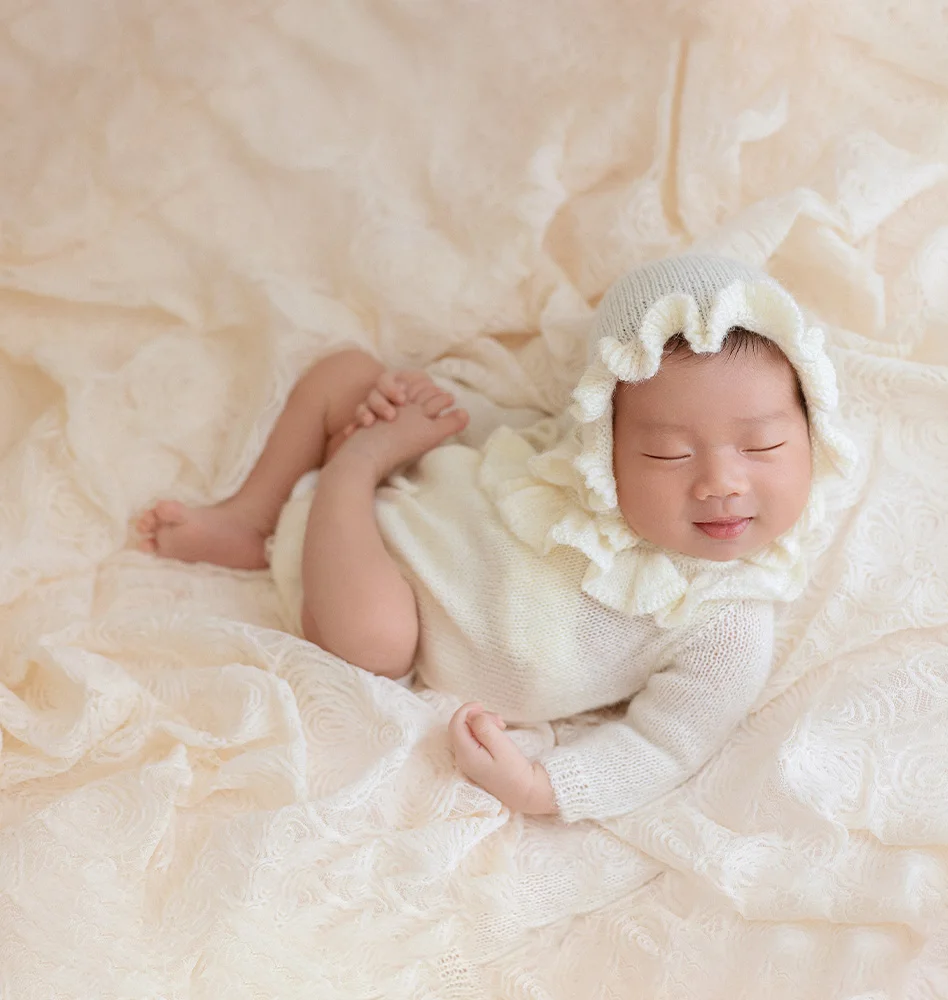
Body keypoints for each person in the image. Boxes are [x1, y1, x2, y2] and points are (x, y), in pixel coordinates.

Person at [137, 255, 856, 822]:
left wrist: (544, 786)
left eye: (761, 447)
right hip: (421, 492)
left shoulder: (725, 623)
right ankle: (250, 513)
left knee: (373, 642)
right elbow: (490, 439)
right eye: (669, 454)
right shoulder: (568, 463)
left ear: (812, 434)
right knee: (346, 373)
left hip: (391, 606)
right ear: (601, 440)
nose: (721, 482)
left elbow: (666, 745)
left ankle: (346, 475)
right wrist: (413, 409)